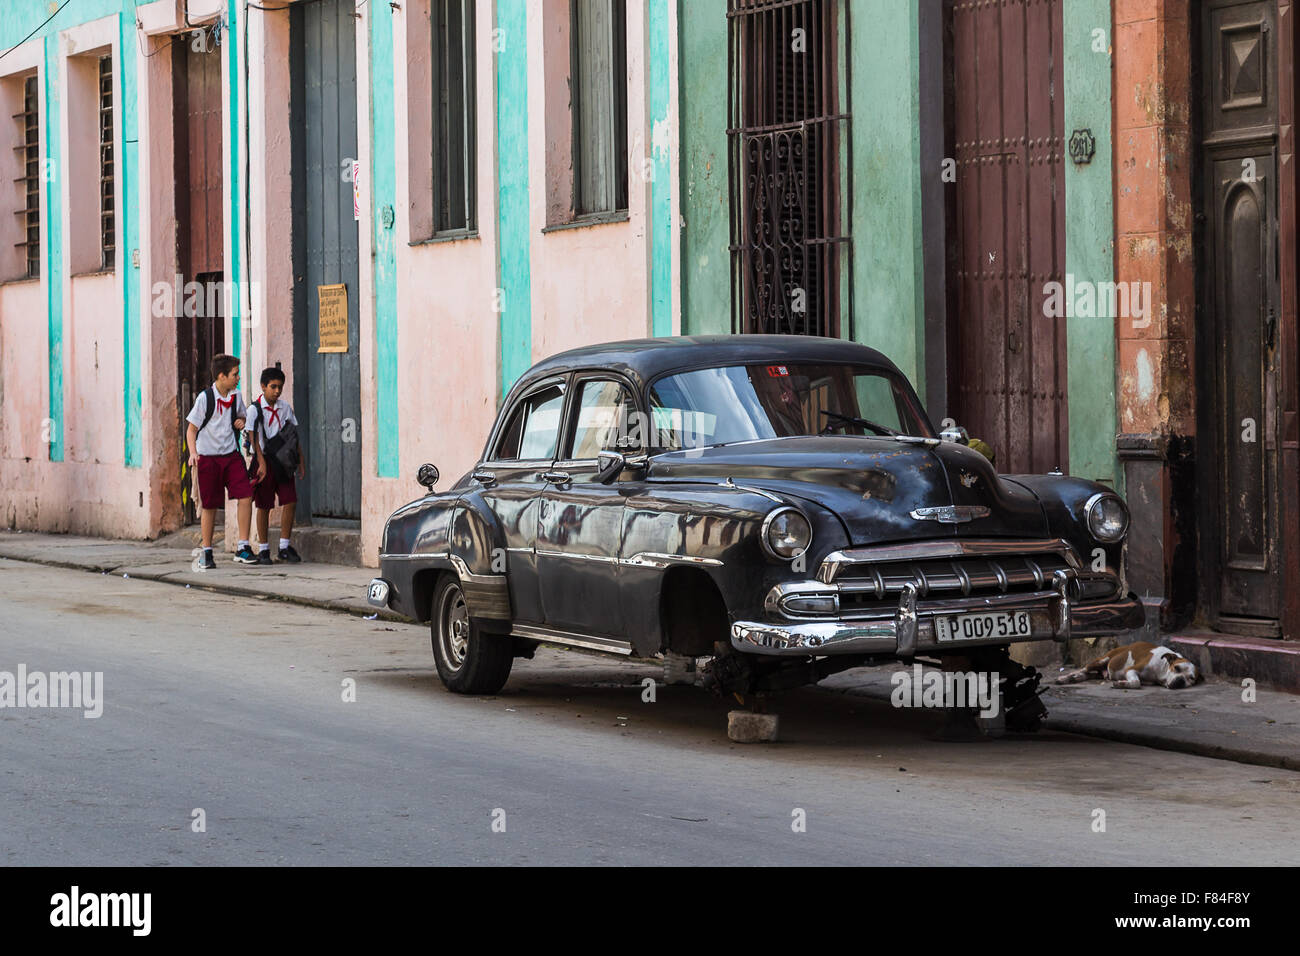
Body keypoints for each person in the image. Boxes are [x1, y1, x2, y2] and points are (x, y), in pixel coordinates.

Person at [185, 354, 264, 569]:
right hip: (208, 458)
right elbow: (191, 431)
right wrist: (193, 453)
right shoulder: (205, 399)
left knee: (246, 495)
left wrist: (242, 421)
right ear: (221, 376)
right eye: (235, 374)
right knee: (209, 505)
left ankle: (243, 546)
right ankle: (207, 552)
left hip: (231, 455)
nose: (238, 378)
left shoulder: (236, 396)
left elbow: (242, 417)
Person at [245, 366, 305, 564]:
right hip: (264, 460)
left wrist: (300, 461)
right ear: (263, 386)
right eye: (273, 387)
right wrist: (261, 463)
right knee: (264, 505)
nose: (277, 391)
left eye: (280, 387)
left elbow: (293, 435)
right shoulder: (254, 410)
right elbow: (252, 437)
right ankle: (263, 548)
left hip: (283, 462)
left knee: (290, 500)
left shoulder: (285, 408)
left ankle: (284, 546)